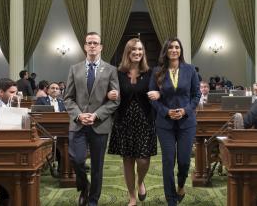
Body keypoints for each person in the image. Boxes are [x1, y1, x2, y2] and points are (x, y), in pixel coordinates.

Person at [64, 32, 120, 206]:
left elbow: (115, 100)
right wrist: (79, 115)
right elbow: (68, 98)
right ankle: (84, 186)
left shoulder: (111, 70)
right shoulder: (75, 69)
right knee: (77, 159)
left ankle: (93, 200)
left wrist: (96, 115)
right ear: (85, 46)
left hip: (100, 124)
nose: (92, 46)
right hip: (78, 124)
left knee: (97, 166)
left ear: (101, 47)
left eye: (96, 43)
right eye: (89, 43)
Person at [149, 38, 201, 206]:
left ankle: (180, 186)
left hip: (187, 122)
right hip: (165, 123)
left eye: (177, 47)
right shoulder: (157, 71)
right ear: (166, 50)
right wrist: (166, 111)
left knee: (185, 160)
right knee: (168, 160)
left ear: (181, 50)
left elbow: (196, 95)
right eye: (170, 47)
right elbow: (152, 97)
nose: (174, 50)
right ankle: (171, 199)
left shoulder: (190, 70)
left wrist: (185, 110)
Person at [107, 38, 159, 206]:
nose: (137, 52)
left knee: (143, 160)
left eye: (140, 49)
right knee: (128, 160)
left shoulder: (151, 73)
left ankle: (140, 181)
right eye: (133, 50)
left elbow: (160, 92)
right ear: (127, 53)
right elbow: (109, 91)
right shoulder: (117, 73)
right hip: (124, 122)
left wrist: (158, 94)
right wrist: (109, 95)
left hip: (145, 121)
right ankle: (132, 196)